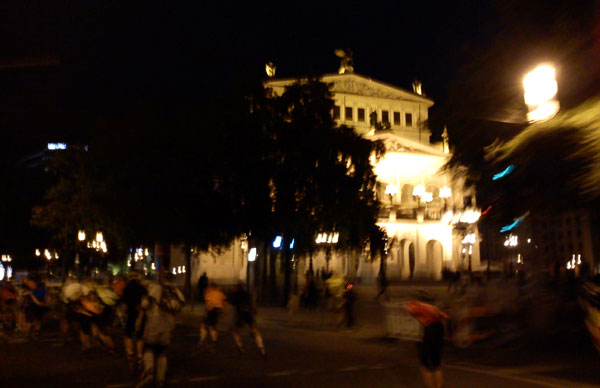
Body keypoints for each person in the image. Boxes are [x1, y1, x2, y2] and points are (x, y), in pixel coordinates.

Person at [136, 272, 185, 388]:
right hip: (169, 323)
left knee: (149, 347)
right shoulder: (175, 290)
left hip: (155, 321)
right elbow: (181, 304)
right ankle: (161, 379)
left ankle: (149, 371)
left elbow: (145, 304)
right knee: (162, 351)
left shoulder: (156, 288)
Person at [405, 292, 450, 388]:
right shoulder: (434, 308)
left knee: (425, 364)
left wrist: (412, 303)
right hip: (439, 331)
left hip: (430, 331)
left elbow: (411, 309)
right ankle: (440, 385)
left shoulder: (419, 306)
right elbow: (445, 318)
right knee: (436, 363)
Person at [230, 283, 266, 357]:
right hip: (249, 314)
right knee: (254, 330)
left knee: (235, 331)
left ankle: (240, 347)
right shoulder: (247, 294)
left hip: (241, 315)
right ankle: (261, 348)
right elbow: (252, 304)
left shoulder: (236, 294)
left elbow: (232, 303)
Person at [122, 272, 148, 373]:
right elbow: (146, 302)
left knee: (128, 334)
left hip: (130, 314)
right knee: (139, 336)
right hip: (141, 314)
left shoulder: (126, 288)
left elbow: (124, 302)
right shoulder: (142, 288)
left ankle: (130, 354)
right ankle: (140, 356)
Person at [198, 283, 226, 347]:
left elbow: (208, 303)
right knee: (213, 325)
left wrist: (206, 313)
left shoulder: (209, 293)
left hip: (211, 310)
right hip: (218, 310)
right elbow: (224, 301)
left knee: (205, 325)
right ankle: (214, 340)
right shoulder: (220, 293)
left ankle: (204, 340)